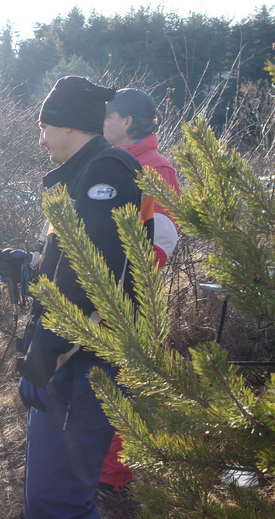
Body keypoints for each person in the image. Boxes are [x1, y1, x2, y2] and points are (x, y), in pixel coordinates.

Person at [0, 76, 148, 518]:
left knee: (58, 501)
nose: (40, 139)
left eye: (44, 127)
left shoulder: (107, 171)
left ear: (68, 125)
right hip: (70, 360)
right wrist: (28, 265)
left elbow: (94, 279)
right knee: (50, 498)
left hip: (83, 364)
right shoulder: (80, 175)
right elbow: (68, 262)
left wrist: (45, 356)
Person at [99, 87, 181, 498]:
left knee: (120, 390)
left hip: (125, 302)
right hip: (99, 296)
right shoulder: (111, 162)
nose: (102, 122)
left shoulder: (154, 168)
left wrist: (121, 291)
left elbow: (161, 240)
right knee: (98, 389)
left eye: (108, 115)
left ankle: (112, 480)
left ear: (127, 121)